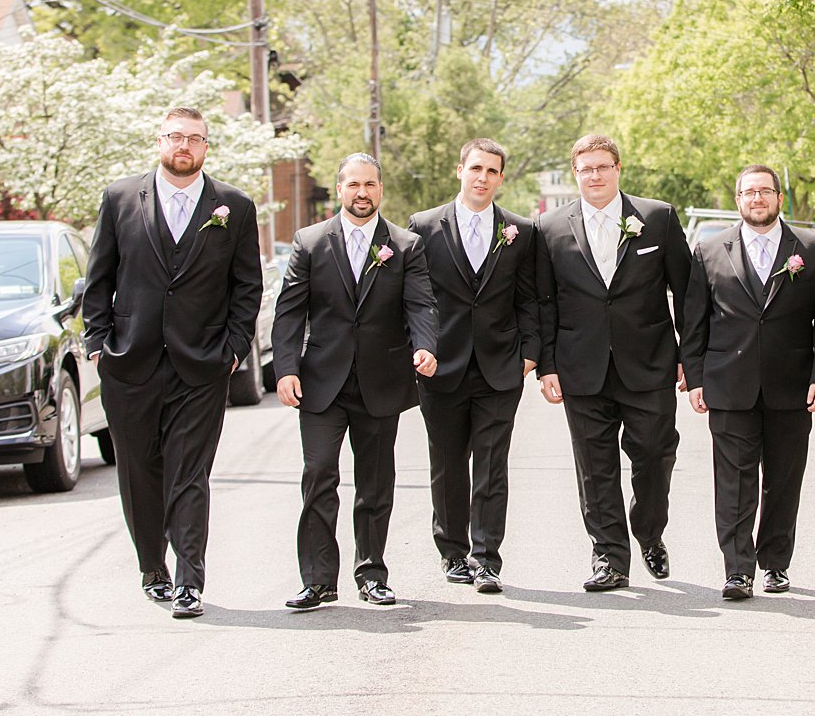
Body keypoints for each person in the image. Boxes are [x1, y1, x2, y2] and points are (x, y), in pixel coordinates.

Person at [84, 105, 262, 619]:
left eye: (195, 139)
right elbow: (99, 277)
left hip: (201, 365)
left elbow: (247, 286)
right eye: (175, 137)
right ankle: (152, 568)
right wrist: (98, 340)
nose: (184, 146)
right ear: (159, 141)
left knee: (189, 473)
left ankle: (189, 579)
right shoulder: (120, 198)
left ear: (206, 147)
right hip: (129, 361)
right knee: (140, 470)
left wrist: (232, 347)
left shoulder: (234, 206)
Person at [272, 153, 438, 610]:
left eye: (370, 184)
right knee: (319, 475)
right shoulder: (308, 242)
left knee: (376, 482)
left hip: (380, 382)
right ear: (340, 188)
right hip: (321, 384)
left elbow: (421, 305)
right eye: (353, 185)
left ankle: (372, 573)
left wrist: (426, 346)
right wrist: (285, 368)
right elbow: (289, 311)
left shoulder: (405, 245)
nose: (361, 193)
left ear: (380, 190)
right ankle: (319, 580)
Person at [534, 134, 692, 591]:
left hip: (650, 362)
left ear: (618, 168)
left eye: (603, 167)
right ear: (576, 173)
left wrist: (688, 357)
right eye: (586, 169)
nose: (595, 176)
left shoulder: (657, 218)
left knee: (656, 453)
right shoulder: (549, 229)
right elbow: (545, 302)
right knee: (594, 466)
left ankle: (649, 529)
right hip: (580, 366)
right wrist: (547, 365)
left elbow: (686, 292)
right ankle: (609, 557)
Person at [679, 165, 815, 600]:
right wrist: (694, 377)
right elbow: (694, 322)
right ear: (738, 200)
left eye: (765, 191)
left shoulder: (813, 248)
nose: (757, 199)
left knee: (784, 481)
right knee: (733, 481)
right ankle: (737, 569)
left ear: (779, 198)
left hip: (792, 386)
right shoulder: (709, 250)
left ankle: (776, 564)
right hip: (728, 384)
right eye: (749, 192)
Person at [407, 139, 538, 593]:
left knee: (491, 464)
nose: (483, 177)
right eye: (476, 168)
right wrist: (418, 348)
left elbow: (530, 298)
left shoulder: (521, 231)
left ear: (502, 178)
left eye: (492, 171)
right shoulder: (422, 227)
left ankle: (486, 558)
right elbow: (413, 297)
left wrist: (530, 353)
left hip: (500, 368)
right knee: (446, 464)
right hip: (440, 366)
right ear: (459, 170)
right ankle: (453, 552)